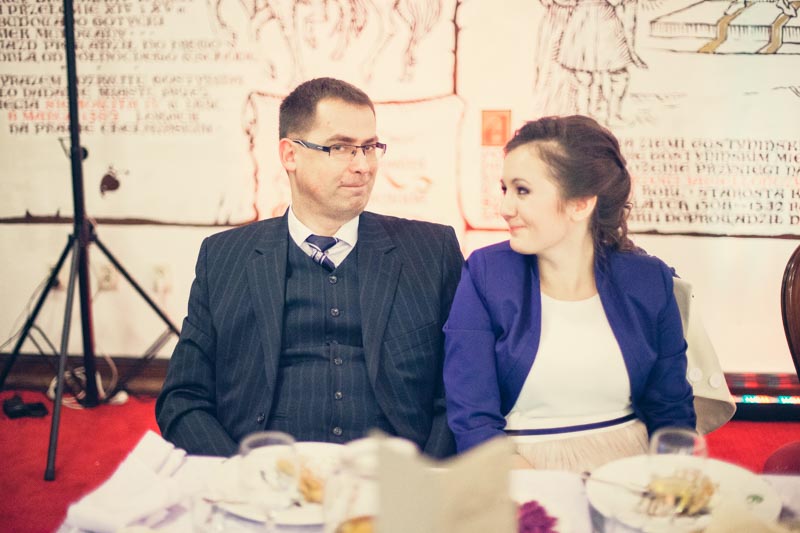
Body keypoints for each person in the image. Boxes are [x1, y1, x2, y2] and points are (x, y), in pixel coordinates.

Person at [156, 77, 463, 458]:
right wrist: (237, 474)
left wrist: (425, 476)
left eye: (369, 148)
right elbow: (183, 398)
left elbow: (462, 390)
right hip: (265, 473)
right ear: (290, 155)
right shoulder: (224, 258)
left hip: (392, 475)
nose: (363, 166)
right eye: (341, 148)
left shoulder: (431, 252)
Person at [443, 115, 695, 472]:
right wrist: (532, 489)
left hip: (632, 469)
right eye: (504, 189)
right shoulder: (486, 273)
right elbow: (472, 419)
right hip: (520, 468)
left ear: (581, 204)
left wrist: (670, 484)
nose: (504, 208)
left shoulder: (648, 279)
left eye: (522, 191)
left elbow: (672, 413)